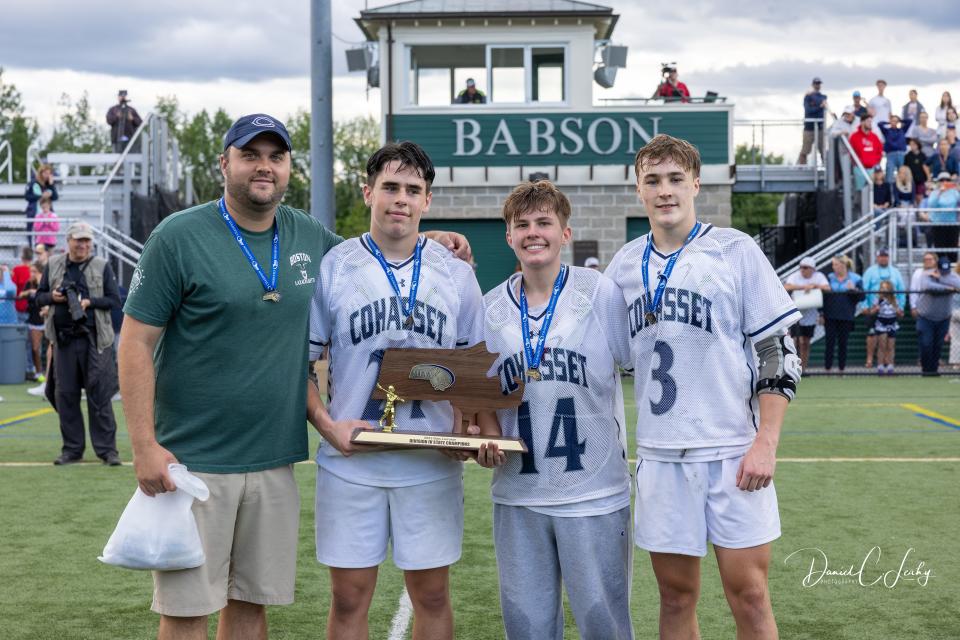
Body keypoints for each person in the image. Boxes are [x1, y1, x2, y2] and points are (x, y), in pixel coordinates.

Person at [118, 114, 473, 640]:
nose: (264, 166)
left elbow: (381, 251)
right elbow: (134, 343)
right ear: (225, 163)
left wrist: (436, 237)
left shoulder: (309, 237)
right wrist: (143, 445)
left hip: (273, 458)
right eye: (250, 155)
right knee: (188, 610)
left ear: (288, 168)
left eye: (276, 156)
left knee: (249, 606)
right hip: (195, 457)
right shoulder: (179, 235)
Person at [606, 134, 802, 639]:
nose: (664, 190)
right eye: (652, 180)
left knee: (751, 595)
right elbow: (601, 354)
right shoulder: (624, 266)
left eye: (675, 179)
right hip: (663, 455)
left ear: (695, 183)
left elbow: (777, 351)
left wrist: (766, 442)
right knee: (675, 598)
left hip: (734, 452)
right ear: (638, 190)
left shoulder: (734, 250)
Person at [307, 141, 484, 640]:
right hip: (352, 459)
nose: (400, 199)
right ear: (368, 193)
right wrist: (327, 425)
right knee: (348, 598)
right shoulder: (336, 266)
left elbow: (473, 368)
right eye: (390, 187)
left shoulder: (455, 272)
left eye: (413, 189)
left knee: (431, 596)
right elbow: (300, 367)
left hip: (429, 461)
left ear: (427, 201)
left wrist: (466, 427)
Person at [475, 180, 634, 640]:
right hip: (519, 492)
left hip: (594, 493)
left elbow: (637, 360)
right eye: (521, 225)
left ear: (565, 233)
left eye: (544, 222)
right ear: (508, 236)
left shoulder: (600, 294)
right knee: (526, 627)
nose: (533, 233)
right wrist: (484, 433)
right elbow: (481, 396)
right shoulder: (488, 308)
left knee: (604, 623)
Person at [35, 222, 121, 465]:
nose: (83, 245)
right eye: (78, 240)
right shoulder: (53, 265)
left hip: (94, 340)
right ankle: (72, 450)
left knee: (100, 394)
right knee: (65, 395)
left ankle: (107, 451)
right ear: (68, 241)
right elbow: (38, 297)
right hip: (63, 341)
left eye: (87, 241)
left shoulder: (101, 266)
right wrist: (52, 297)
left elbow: (114, 300)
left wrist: (88, 303)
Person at [914, 255, 960, 376]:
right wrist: (949, 288)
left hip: (943, 318)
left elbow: (958, 285)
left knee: (938, 345)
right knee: (926, 343)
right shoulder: (926, 274)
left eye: (946, 271)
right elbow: (928, 286)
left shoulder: (952, 276)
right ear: (937, 267)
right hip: (925, 317)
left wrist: (941, 279)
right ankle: (926, 370)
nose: (944, 273)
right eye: (942, 271)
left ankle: (933, 371)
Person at [861, 248, 905, 369]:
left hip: (890, 310)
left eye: (885, 256)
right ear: (877, 257)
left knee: (889, 340)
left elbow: (901, 291)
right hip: (873, 309)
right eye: (881, 256)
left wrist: (900, 307)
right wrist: (864, 306)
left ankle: (887, 360)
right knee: (872, 335)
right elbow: (863, 289)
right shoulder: (870, 271)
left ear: (888, 257)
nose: (883, 258)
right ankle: (870, 358)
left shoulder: (895, 271)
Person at [783, 256, 828, 371]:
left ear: (812, 269)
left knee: (806, 342)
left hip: (811, 315)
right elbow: (786, 286)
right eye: (801, 267)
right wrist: (803, 287)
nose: (802, 270)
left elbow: (827, 288)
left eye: (806, 267)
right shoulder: (795, 276)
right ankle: (792, 367)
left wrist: (814, 286)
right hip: (796, 314)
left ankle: (803, 368)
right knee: (795, 341)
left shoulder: (819, 276)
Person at [821, 255, 863, 373]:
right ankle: (827, 369)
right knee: (829, 343)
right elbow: (823, 297)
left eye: (835, 264)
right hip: (830, 315)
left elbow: (862, 297)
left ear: (843, 265)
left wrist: (853, 290)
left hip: (846, 315)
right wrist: (821, 313)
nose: (833, 267)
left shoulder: (856, 279)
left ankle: (841, 369)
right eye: (833, 264)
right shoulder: (828, 277)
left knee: (843, 343)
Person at [12, 246, 37, 380]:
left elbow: (14, 289)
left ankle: (25, 369)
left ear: (22, 257)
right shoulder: (33, 270)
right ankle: (30, 368)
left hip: (20, 308)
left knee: (22, 341)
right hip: (32, 310)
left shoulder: (17, 269)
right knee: (31, 343)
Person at [870, 280, 903, 375]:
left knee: (891, 346)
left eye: (886, 287)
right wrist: (875, 309)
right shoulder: (878, 299)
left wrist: (899, 312)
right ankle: (880, 365)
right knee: (882, 346)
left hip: (892, 324)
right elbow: (871, 312)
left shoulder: (894, 299)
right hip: (882, 323)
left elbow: (900, 313)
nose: (884, 289)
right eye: (882, 287)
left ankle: (890, 366)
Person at [927, 172, 960, 261]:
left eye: (947, 180)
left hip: (952, 224)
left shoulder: (954, 192)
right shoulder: (934, 192)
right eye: (942, 180)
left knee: (952, 249)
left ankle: (953, 271)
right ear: (938, 182)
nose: (944, 182)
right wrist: (940, 193)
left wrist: (958, 189)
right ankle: (941, 269)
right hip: (938, 224)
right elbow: (931, 204)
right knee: (940, 249)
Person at [24, 164, 57, 245]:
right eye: (45, 173)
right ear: (41, 173)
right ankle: (31, 247)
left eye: (49, 174)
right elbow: (27, 196)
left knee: (45, 235)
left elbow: (55, 197)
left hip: (46, 212)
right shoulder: (33, 182)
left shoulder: (49, 184)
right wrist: (41, 196)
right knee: (32, 232)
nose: (47, 176)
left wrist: (51, 185)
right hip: (34, 212)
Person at [799, 77, 828, 164]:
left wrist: (816, 104)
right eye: (816, 83)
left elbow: (823, 102)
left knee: (822, 150)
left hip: (820, 127)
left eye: (819, 83)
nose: (817, 85)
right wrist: (819, 106)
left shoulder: (822, 96)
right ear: (813, 84)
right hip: (809, 127)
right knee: (805, 150)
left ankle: (826, 169)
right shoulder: (808, 97)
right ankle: (801, 168)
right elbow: (809, 111)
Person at [849, 115, 883, 189]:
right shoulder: (854, 137)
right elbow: (851, 152)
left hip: (872, 169)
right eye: (868, 121)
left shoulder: (874, 136)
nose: (870, 123)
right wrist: (857, 164)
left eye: (871, 121)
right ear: (862, 122)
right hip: (859, 169)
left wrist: (875, 162)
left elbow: (879, 151)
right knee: (860, 192)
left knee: (872, 192)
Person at [878, 114, 912, 184]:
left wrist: (900, 120)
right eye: (893, 121)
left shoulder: (902, 130)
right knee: (889, 174)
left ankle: (902, 189)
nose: (894, 122)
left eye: (896, 121)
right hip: (891, 155)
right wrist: (888, 122)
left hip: (901, 154)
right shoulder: (887, 131)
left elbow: (909, 121)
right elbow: (879, 124)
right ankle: (889, 191)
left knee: (902, 174)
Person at [904, 138, 930, 204]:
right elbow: (906, 168)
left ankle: (920, 211)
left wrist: (928, 178)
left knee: (920, 196)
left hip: (921, 180)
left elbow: (926, 167)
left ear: (917, 145)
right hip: (911, 181)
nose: (912, 146)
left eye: (913, 144)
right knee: (913, 197)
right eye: (910, 145)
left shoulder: (923, 155)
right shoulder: (908, 156)